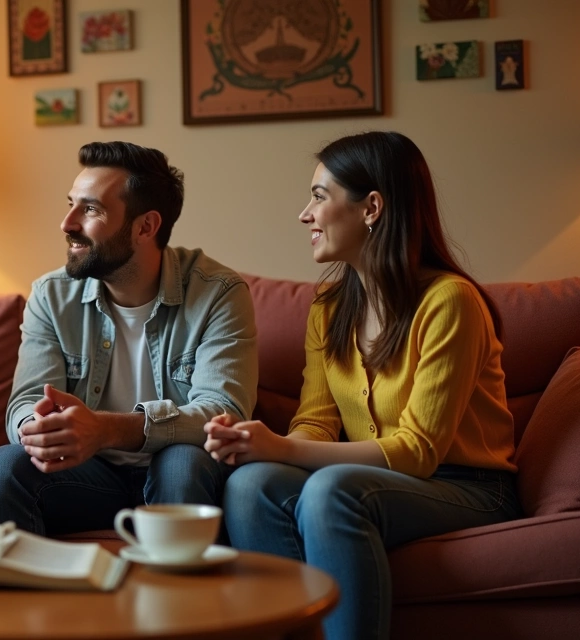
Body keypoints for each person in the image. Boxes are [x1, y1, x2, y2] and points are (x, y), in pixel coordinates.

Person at [206, 131, 522, 640]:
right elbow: (315, 422)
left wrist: (282, 446)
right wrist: (261, 447)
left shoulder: (450, 301)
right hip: (379, 481)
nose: (304, 215)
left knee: (332, 491)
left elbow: (419, 451)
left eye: (318, 196)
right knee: (250, 485)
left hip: (468, 487)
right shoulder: (330, 307)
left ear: (372, 206)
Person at [0, 141, 258, 536]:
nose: (67, 222)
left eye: (90, 209)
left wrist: (107, 429)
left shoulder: (217, 292)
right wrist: (37, 429)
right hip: (86, 478)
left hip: (178, 473)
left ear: (146, 226)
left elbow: (223, 412)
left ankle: (177, 596)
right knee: (3, 464)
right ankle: (21, 590)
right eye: (71, 203)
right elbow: (25, 402)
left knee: (182, 461)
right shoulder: (52, 295)